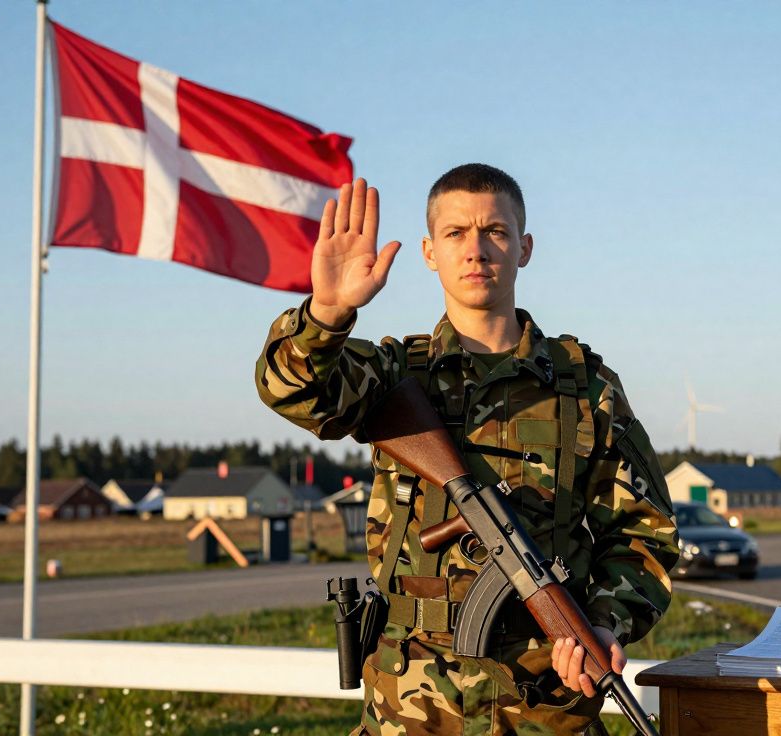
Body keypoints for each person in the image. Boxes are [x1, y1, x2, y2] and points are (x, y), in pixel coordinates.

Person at [256, 164, 678, 735]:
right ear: (429, 252)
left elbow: (645, 533)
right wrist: (327, 314)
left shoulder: (585, 387)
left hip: (542, 705)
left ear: (524, 248)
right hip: (410, 706)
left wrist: (603, 624)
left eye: (495, 231)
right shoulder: (393, 373)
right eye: (455, 233)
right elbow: (292, 390)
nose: (476, 250)